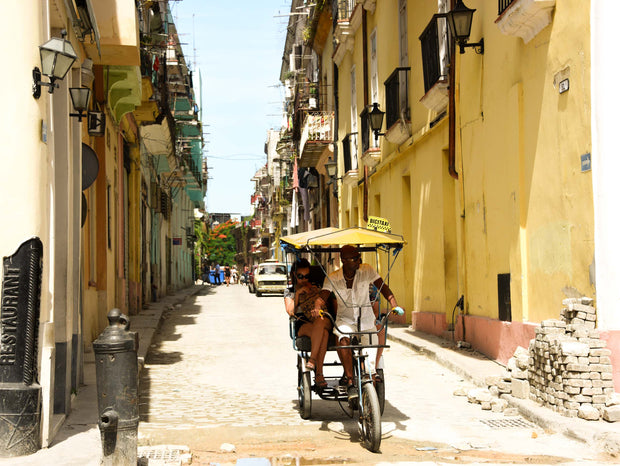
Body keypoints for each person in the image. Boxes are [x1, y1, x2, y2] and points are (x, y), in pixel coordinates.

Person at [313, 244, 402, 402]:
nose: (356, 262)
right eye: (352, 259)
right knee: (343, 338)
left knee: (371, 357)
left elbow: (384, 288)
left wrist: (394, 305)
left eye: (357, 258)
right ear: (343, 261)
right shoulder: (333, 277)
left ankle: (371, 376)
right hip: (345, 320)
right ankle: (350, 380)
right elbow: (323, 296)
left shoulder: (367, 270)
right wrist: (317, 307)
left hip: (366, 320)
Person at [285, 258, 332, 390]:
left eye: (306, 276)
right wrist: (298, 294)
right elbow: (290, 311)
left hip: (323, 318)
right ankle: (319, 374)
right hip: (304, 323)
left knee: (321, 322)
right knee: (323, 333)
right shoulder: (290, 291)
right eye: (300, 276)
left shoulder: (316, 286)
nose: (304, 280)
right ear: (294, 275)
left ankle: (313, 361)